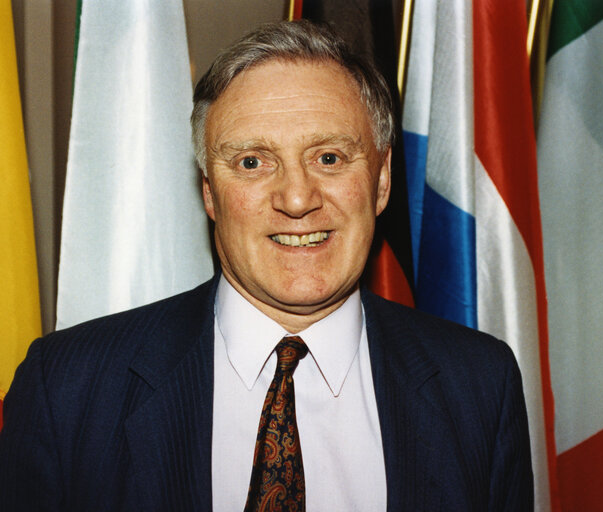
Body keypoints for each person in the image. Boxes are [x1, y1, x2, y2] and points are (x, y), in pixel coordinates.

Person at [0, 20, 532, 511]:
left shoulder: (480, 384)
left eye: (329, 157)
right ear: (210, 192)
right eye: (252, 162)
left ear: (383, 178)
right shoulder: (67, 389)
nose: (297, 199)